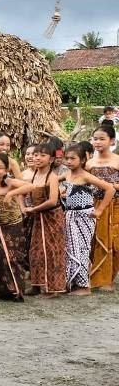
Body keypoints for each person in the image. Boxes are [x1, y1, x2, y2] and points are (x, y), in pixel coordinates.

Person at [61, 145, 113, 295]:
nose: (69, 161)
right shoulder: (67, 175)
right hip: (70, 215)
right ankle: (72, 283)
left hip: (85, 216)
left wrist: (100, 210)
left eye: (73, 158)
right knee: (71, 249)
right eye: (67, 158)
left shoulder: (86, 176)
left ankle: (84, 286)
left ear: (82, 160)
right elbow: (52, 182)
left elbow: (110, 189)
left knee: (82, 250)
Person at [0, 153, 29, 302]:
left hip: (12, 224)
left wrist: (12, 194)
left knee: (13, 258)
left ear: (6, 170)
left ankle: (15, 290)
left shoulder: (9, 182)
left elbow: (30, 186)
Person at [26, 143, 67, 297]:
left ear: (50, 159)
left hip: (52, 217)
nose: (37, 158)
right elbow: (22, 193)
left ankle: (54, 287)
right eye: (36, 154)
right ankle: (36, 285)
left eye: (42, 155)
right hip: (37, 218)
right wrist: (24, 207)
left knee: (53, 250)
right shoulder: (33, 175)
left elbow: (52, 200)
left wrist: (34, 209)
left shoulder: (53, 176)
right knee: (35, 251)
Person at [85, 125, 119, 292]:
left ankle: (109, 278)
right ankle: (99, 278)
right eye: (95, 139)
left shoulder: (117, 160)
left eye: (102, 139)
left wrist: (113, 186)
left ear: (112, 141)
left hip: (115, 206)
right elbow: (82, 182)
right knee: (96, 241)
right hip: (94, 205)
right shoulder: (89, 163)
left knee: (114, 242)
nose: (97, 142)